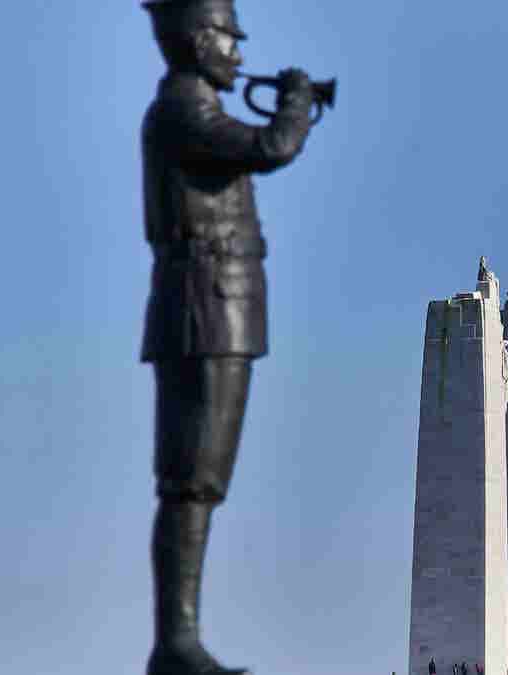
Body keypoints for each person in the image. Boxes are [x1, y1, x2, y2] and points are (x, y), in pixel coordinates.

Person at [138, 1, 317, 674]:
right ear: (193, 38)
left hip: (224, 305)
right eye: (225, 38)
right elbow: (272, 148)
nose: (238, 55)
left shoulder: (191, 109)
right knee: (189, 479)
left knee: (203, 481)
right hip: (202, 305)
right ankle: (176, 640)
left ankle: (181, 635)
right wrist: (295, 102)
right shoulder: (185, 110)